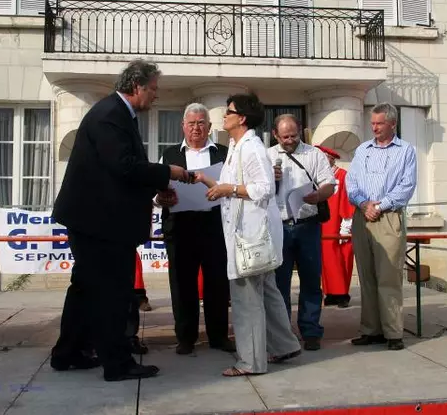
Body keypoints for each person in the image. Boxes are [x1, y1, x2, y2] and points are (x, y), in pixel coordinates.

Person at [50, 59, 191, 382]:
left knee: (85, 289)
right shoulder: (110, 115)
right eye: (153, 89)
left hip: (97, 222)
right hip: (100, 225)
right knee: (111, 293)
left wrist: (157, 190)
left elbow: (119, 175)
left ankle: (67, 352)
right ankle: (117, 362)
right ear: (137, 87)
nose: (155, 96)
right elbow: (123, 167)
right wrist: (167, 173)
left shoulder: (115, 114)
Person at [195, 93, 301, 376]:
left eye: (228, 111)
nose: (223, 116)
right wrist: (210, 182)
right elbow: (235, 184)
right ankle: (285, 345)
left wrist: (227, 189)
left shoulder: (251, 147)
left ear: (241, 118)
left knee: (246, 300)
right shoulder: (238, 146)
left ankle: (251, 362)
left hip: (250, 238)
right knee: (267, 292)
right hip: (248, 236)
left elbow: (264, 188)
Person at [155, 103, 234, 355]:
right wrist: (160, 199)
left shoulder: (224, 153)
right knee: (181, 283)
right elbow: (154, 193)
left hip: (215, 225)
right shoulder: (167, 156)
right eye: (191, 123)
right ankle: (186, 337)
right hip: (180, 226)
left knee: (217, 282)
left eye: (201, 123)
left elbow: (233, 185)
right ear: (183, 127)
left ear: (209, 127)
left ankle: (218, 335)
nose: (196, 128)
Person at [346, 103, 416, 351]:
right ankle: (371, 329)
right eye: (372, 123)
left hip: (388, 217)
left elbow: (407, 186)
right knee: (366, 275)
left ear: (392, 124)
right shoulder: (362, 150)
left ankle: (393, 332)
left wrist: (381, 205)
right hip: (361, 215)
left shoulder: (406, 151)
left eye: (379, 123)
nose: (374, 127)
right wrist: (364, 204)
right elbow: (351, 182)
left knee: (388, 275)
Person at [267, 115, 335, 351]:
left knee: (310, 280)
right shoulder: (267, 156)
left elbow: (329, 184)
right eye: (285, 137)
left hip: (307, 224)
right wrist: (269, 179)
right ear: (275, 135)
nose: (290, 140)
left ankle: (311, 330)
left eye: (294, 135)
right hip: (279, 226)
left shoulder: (313, 154)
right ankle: (284, 333)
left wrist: (319, 195)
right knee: (279, 283)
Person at [315, 145, 355, 308]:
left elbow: (347, 199)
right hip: (323, 223)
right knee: (325, 260)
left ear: (331, 159)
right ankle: (330, 292)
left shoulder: (343, 175)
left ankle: (342, 294)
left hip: (339, 224)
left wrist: (346, 224)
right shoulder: (318, 177)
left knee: (341, 259)